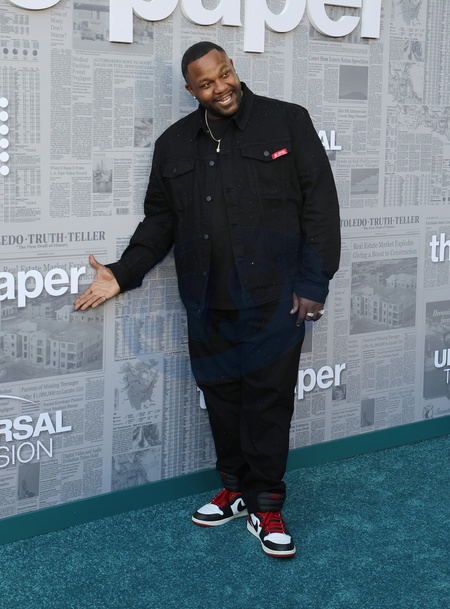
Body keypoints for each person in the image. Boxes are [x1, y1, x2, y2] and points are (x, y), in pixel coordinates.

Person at [74, 41, 340, 558]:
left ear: (233, 68)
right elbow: (161, 221)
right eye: (206, 84)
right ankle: (235, 490)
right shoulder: (174, 144)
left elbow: (320, 205)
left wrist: (314, 283)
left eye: (224, 74)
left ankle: (267, 504)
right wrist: (122, 273)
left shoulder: (287, 121)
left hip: (275, 299)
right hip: (206, 301)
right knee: (222, 400)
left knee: (267, 404)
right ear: (190, 90)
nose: (221, 88)